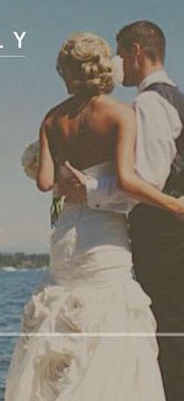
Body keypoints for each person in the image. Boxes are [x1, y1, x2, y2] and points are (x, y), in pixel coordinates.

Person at [5, 31, 184, 400]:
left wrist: (70, 180)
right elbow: (127, 180)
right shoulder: (120, 113)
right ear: (103, 67)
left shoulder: (52, 119)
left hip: (67, 234)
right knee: (108, 326)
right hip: (103, 237)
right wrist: (175, 206)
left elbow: (45, 183)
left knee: (62, 321)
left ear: (67, 72)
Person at [59, 21, 184, 400]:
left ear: (135, 52)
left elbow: (146, 182)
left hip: (163, 237)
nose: (116, 64)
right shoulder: (174, 96)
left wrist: (89, 190)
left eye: (120, 53)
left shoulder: (148, 103)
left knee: (168, 332)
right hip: (168, 236)